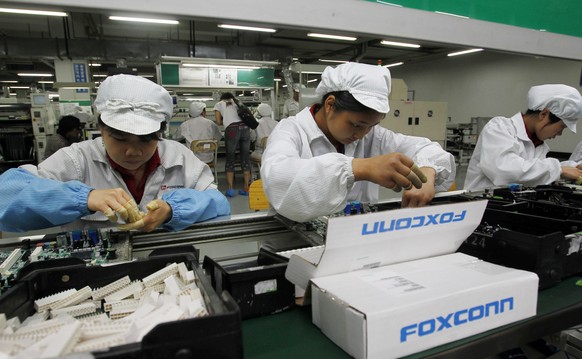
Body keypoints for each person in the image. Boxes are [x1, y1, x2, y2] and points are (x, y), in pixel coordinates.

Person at [0, 74, 230, 233]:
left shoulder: (178, 156)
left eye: (146, 139)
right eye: (120, 139)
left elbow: (218, 202)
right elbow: (6, 197)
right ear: (100, 128)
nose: (133, 151)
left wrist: (173, 210)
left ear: (160, 133)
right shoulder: (77, 160)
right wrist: (83, 198)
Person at [261, 62, 455, 222]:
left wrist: (428, 171)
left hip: (353, 239)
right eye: (356, 125)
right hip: (292, 243)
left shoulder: (373, 136)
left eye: (371, 126)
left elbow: (427, 148)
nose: (362, 135)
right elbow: (279, 178)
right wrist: (358, 168)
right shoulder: (291, 130)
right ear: (329, 105)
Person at [464, 84, 582, 191]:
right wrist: (559, 170)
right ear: (544, 114)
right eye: (561, 127)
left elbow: (533, 170)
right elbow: (505, 170)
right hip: (482, 206)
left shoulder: (538, 144)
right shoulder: (500, 127)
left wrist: (573, 167)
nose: (559, 133)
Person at [214, 92, 251, 197]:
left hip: (232, 130)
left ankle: (230, 189)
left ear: (222, 98)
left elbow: (218, 121)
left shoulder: (219, 104)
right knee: (245, 157)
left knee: (230, 158)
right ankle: (246, 188)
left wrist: (224, 119)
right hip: (245, 129)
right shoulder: (237, 102)